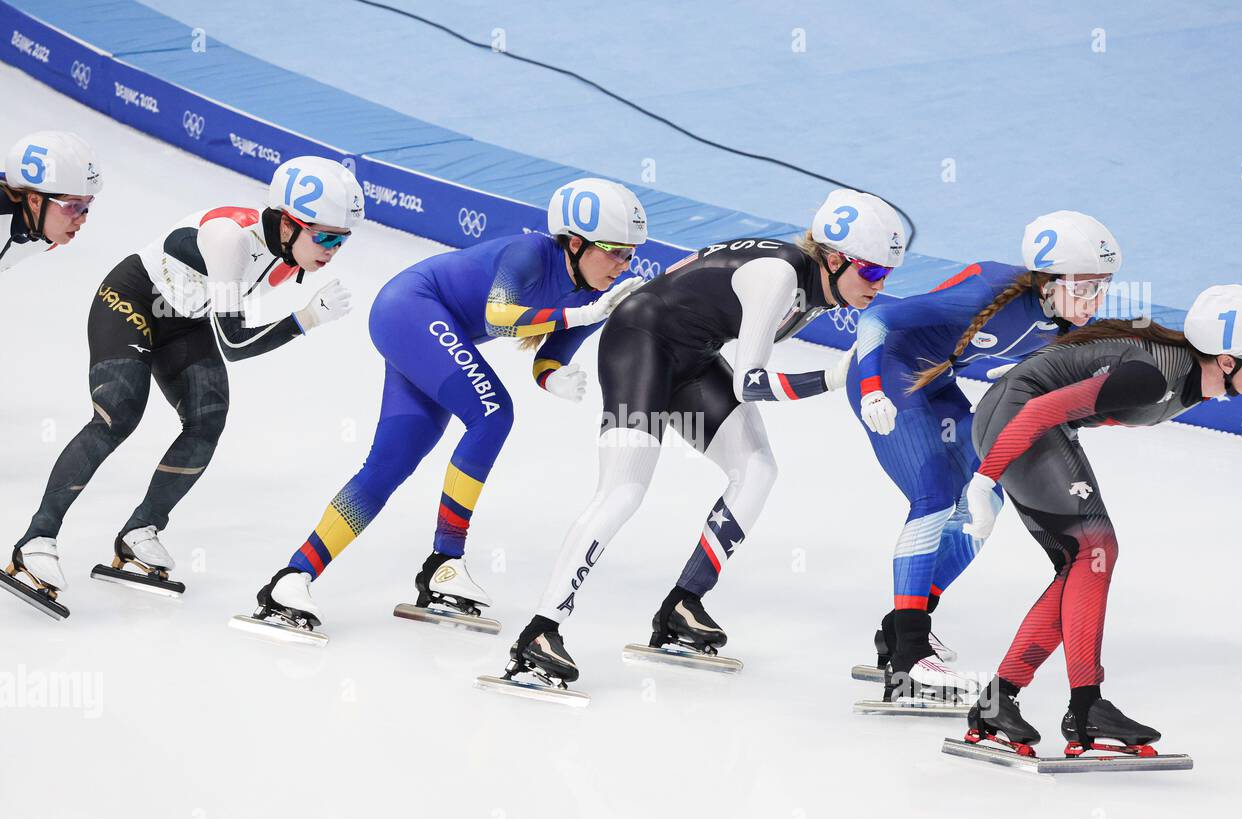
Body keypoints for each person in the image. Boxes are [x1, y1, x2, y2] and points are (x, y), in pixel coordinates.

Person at [492, 188, 905, 698]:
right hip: (639, 342)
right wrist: (833, 377)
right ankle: (539, 631)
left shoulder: (820, 287)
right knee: (623, 492)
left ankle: (683, 604)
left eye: (886, 276)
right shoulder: (779, 275)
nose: (878, 287)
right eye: (871, 273)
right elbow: (750, 382)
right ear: (836, 258)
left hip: (693, 356)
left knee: (757, 469)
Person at [232, 178, 647, 643]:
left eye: (630, 254)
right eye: (614, 250)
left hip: (426, 328)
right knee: (493, 414)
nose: (623, 264)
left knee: (390, 465)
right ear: (575, 243)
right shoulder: (529, 254)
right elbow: (498, 317)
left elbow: (548, 357)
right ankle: (446, 561)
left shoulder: (595, 296)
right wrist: (579, 317)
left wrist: (554, 378)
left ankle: (293, 577)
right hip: (410, 307)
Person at [0, 156, 362, 619]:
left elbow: (221, 324)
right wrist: (306, 319)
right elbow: (233, 342)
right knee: (118, 414)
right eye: (326, 236)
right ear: (289, 223)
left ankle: (140, 531)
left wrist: (303, 316)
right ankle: (36, 538)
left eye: (342, 240)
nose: (332, 250)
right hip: (132, 298)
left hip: (183, 321)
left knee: (207, 418)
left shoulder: (286, 256)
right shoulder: (232, 238)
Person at [963, 285, 1242, 756]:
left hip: (1029, 417)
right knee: (1095, 550)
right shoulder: (1155, 378)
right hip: (1021, 421)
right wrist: (984, 482)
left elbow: (1095, 386)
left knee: (1081, 563)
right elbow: (1039, 408)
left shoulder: (1191, 378)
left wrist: (1035, 372)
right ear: (1226, 361)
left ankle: (999, 701)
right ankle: (1086, 707)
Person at [849, 211, 1122, 704]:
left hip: (938, 383)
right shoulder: (988, 290)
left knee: (984, 502)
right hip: (889, 373)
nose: (1094, 301)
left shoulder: (1061, 324)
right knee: (933, 491)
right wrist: (871, 390)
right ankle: (911, 654)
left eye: (1102, 287)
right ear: (1048, 281)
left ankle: (900, 629)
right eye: (1084, 288)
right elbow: (877, 318)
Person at [0, 130, 101, 274]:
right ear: (35, 201)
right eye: (73, 206)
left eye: (87, 205)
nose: (82, 219)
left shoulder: (48, 235)